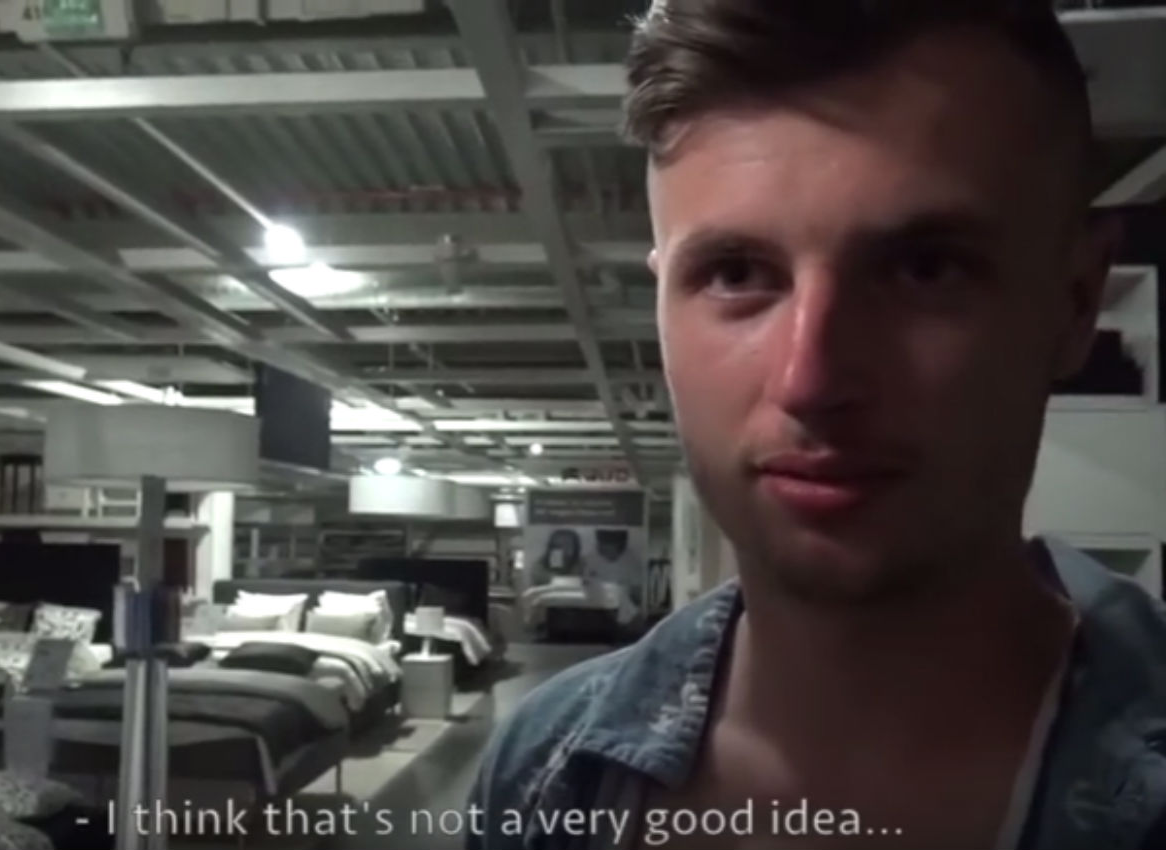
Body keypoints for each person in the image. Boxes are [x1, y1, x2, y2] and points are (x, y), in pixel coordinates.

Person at [465, 2, 1166, 848]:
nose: (811, 379)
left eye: (924, 269)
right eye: (736, 273)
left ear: (1076, 301)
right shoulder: (539, 773)